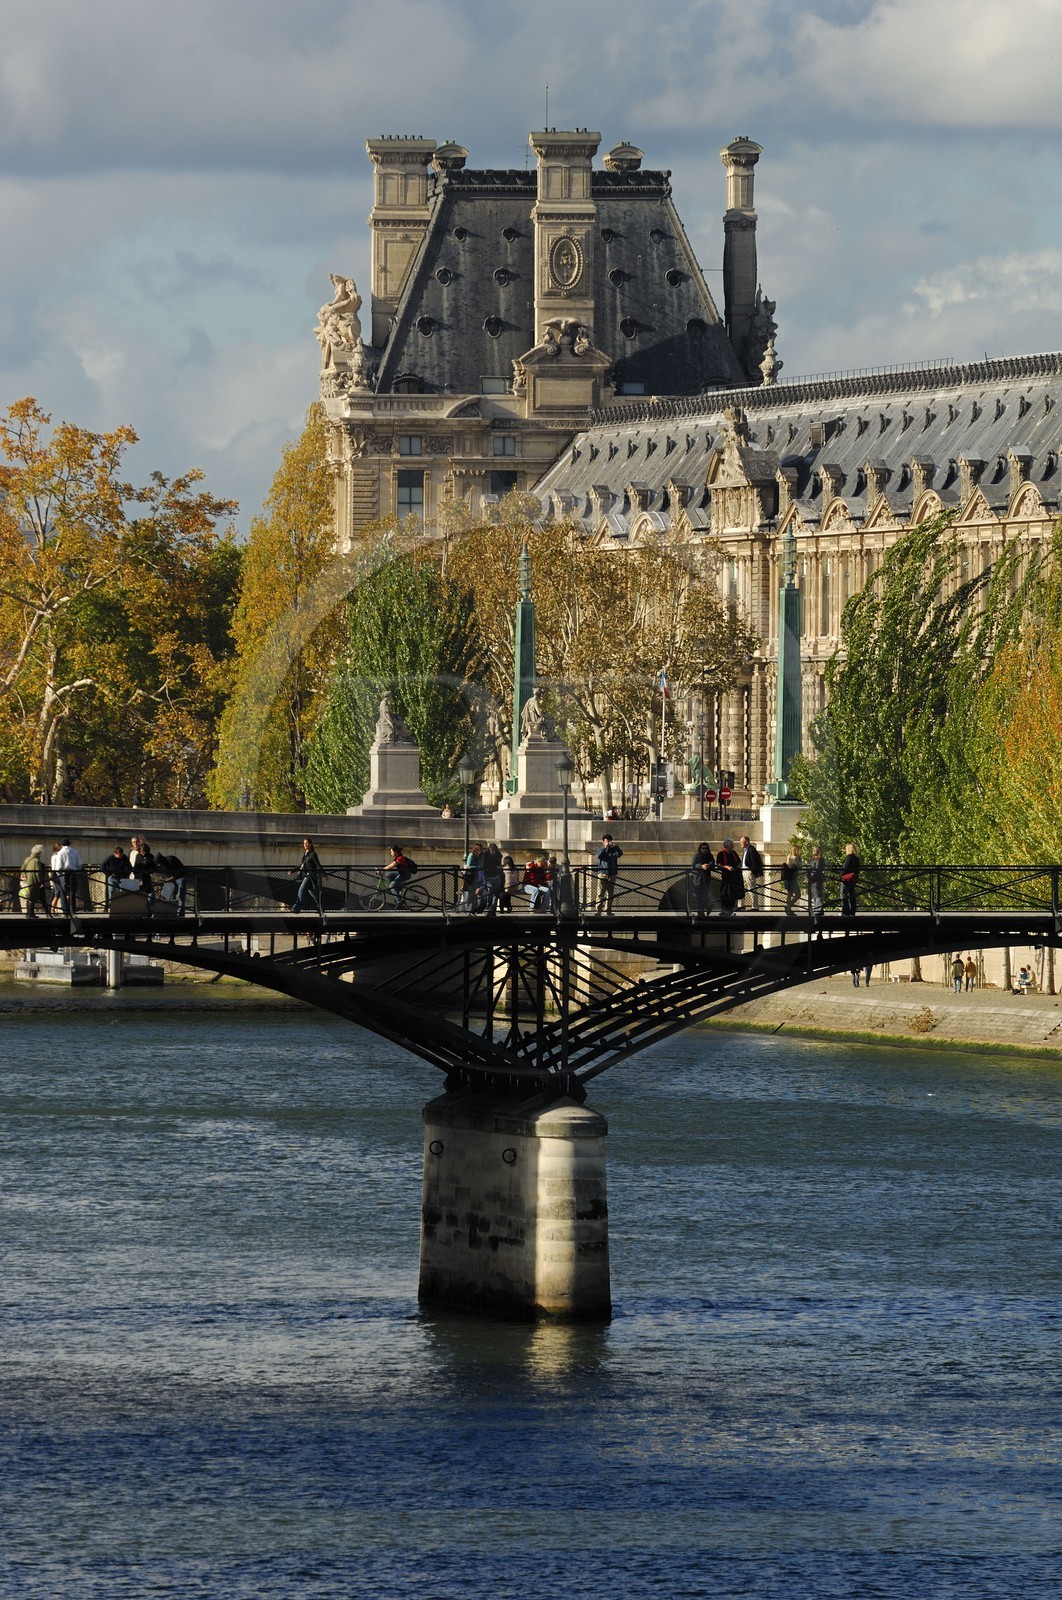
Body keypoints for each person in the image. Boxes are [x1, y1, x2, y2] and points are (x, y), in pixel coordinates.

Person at [289, 838, 322, 913]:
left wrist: (324, 874)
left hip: (310, 876)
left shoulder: (313, 854)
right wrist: (293, 870)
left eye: (307, 843)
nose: (305, 845)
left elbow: (318, 865)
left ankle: (296, 908)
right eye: (304, 843)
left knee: (301, 889)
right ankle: (321, 907)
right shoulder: (306, 854)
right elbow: (301, 865)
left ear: (310, 844)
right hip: (307, 875)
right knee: (313, 893)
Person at [594, 833, 623, 916]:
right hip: (602, 873)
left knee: (610, 894)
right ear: (603, 842)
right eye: (606, 841)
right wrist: (605, 847)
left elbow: (620, 853)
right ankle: (598, 911)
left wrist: (616, 846)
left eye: (609, 841)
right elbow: (599, 855)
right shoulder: (600, 849)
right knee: (600, 893)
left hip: (612, 874)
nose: (608, 843)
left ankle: (607, 911)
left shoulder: (614, 850)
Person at [716, 837, 743, 918]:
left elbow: (739, 861)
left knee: (732, 895)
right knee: (724, 894)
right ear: (727, 846)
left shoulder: (733, 853)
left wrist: (737, 866)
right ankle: (724, 911)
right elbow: (719, 864)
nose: (733, 847)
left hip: (734, 877)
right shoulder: (721, 854)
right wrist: (727, 867)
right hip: (726, 877)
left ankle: (730, 911)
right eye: (732, 845)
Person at [19, 845, 48, 917]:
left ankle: (28, 914)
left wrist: (23, 874)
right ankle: (31, 914)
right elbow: (38, 873)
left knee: (28, 898)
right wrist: (40, 881)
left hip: (27, 880)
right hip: (33, 881)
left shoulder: (27, 859)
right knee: (32, 897)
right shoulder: (36, 861)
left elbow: (22, 868)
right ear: (39, 853)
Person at [56, 837, 82, 915]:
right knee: (72, 893)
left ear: (61, 845)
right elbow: (79, 865)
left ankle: (65, 911)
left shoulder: (60, 853)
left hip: (64, 874)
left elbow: (59, 867)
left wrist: (59, 874)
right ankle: (72, 911)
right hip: (73, 873)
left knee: (63, 893)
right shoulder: (75, 851)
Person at [739, 834, 765, 911]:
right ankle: (741, 906)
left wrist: (751, 870)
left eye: (741, 842)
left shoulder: (751, 850)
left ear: (746, 842)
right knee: (740, 889)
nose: (740, 843)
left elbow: (755, 862)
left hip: (748, 872)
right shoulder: (746, 850)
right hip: (743, 871)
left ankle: (755, 907)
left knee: (752, 889)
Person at [690, 842, 714, 918]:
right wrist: (701, 866)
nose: (704, 850)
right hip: (697, 879)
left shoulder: (709, 855)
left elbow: (713, 862)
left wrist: (708, 866)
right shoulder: (696, 855)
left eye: (706, 848)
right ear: (700, 849)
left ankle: (701, 912)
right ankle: (708, 905)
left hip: (706, 879)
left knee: (703, 895)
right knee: (696, 894)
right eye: (703, 848)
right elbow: (693, 864)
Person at [129, 835, 155, 907]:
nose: (135, 843)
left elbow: (152, 867)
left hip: (145, 877)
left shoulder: (149, 856)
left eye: (136, 842)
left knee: (149, 893)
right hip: (134, 876)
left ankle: (148, 909)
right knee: (136, 894)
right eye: (133, 842)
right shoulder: (133, 853)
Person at [462, 842, 485, 913]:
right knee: (470, 893)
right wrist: (476, 867)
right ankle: (469, 910)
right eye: (479, 849)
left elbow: (481, 866)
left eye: (481, 849)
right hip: (469, 876)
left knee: (478, 893)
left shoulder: (482, 856)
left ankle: (474, 910)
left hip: (477, 875)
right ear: (475, 849)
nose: (480, 850)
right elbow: (468, 866)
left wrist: (474, 867)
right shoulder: (471, 855)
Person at [482, 842, 504, 916]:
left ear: (496, 850)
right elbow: (486, 865)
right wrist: (496, 867)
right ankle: (488, 909)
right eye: (490, 850)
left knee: (496, 893)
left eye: (493, 851)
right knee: (489, 893)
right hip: (488, 875)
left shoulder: (498, 855)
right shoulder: (485, 854)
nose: (491, 852)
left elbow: (497, 865)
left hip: (496, 876)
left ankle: (493, 909)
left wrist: (496, 867)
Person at [840, 841, 861, 918]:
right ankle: (852, 911)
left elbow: (845, 868)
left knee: (843, 895)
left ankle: (846, 911)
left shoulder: (849, 857)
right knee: (852, 895)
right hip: (853, 879)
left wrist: (840, 875)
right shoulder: (856, 858)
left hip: (846, 879)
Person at [781, 846, 803, 916]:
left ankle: (788, 909)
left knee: (790, 894)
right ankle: (788, 907)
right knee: (798, 895)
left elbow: (788, 865)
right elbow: (800, 867)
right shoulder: (795, 857)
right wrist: (797, 860)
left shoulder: (789, 856)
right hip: (792, 878)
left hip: (788, 878)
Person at [806, 844, 825, 925]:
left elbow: (817, 870)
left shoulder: (820, 859)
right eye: (814, 850)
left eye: (816, 850)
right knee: (814, 895)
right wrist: (807, 876)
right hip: (812, 879)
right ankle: (816, 910)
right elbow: (810, 869)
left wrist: (811, 878)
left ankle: (818, 911)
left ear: (819, 851)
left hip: (817, 879)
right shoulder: (812, 859)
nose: (815, 851)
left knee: (817, 895)